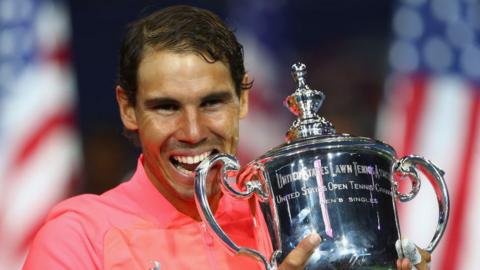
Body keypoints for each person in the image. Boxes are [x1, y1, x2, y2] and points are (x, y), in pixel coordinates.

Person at [22, 5, 429, 270]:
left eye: (212, 103)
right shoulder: (78, 237)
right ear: (128, 109)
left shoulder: (293, 218)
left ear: (243, 101)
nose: (194, 131)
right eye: (166, 107)